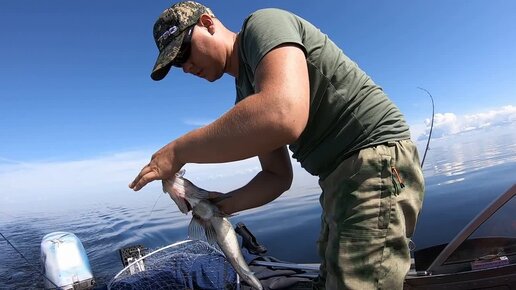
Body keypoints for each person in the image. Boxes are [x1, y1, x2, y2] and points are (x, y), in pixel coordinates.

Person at [129, 1, 425, 289]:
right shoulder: (248, 93)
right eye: (177, 64)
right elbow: (276, 177)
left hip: (374, 160)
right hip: (338, 180)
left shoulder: (264, 23)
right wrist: (216, 208)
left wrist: (178, 152)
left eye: (184, 52)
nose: (186, 67)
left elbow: (284, 113)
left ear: (207, 23)